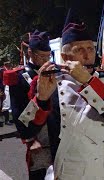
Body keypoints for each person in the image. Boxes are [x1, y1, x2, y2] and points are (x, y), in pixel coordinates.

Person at [19, 9, 104, 179]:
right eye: (79, 49)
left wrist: (89, 82)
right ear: (63, 55)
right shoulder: (47, 82)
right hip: (68, 167)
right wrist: (41, 100)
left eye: (90, 48)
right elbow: (25, 129)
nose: (87, 55)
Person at [3, 30, 58, 180]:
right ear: (30, 53)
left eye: (48, 56)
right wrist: (30, 140)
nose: (47, 60)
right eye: (42, 56)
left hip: (58, 134)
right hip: (38, 135)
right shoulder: (19, 77)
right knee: (39, 175)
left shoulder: (55, 72)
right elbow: (18, 112)